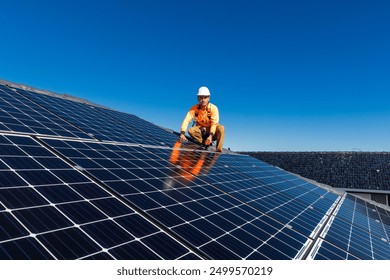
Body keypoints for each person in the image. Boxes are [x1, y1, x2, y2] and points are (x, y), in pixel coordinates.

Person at [179, 86, 225, 152]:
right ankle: (204, 143)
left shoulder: (213, 108)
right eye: (200, 97)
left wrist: (211, 136)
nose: (203, 100)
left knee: (221, 128)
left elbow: (214, 124)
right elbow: (186, 120)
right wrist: (182, 133)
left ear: (208, 98)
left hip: (212, 130)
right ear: (198, 98)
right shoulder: (194, 108)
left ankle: (218, 150)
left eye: (205, 97)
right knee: (191, 130)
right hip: (201, 130)